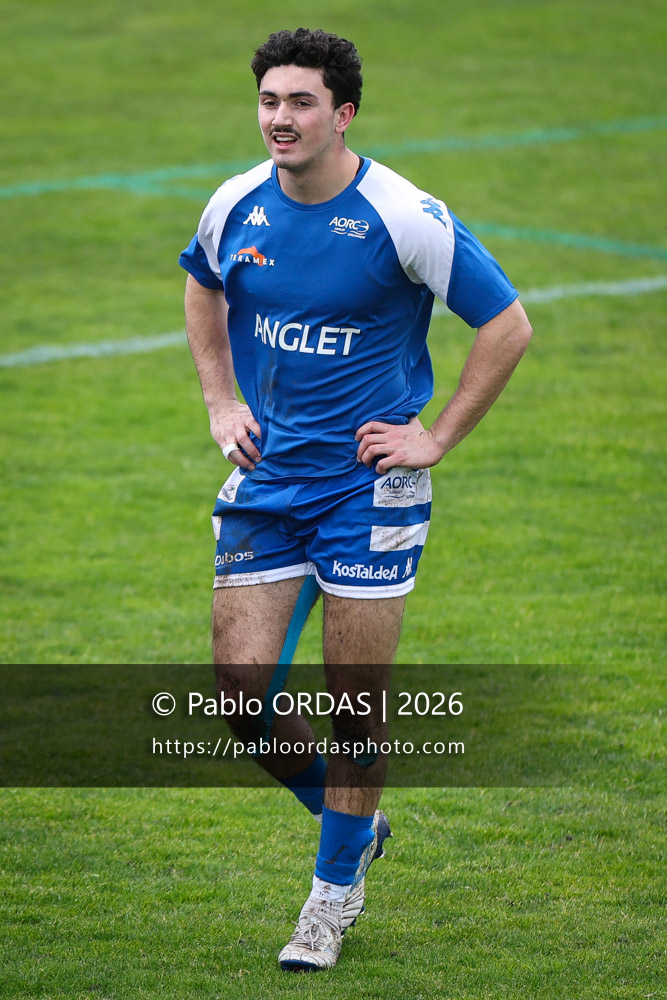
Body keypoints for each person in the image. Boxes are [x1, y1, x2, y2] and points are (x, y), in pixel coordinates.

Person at [179, 27, 532, 972]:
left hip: (370, 491)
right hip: (268, 481)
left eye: (300, 102)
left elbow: (506, 324)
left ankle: (328, 900)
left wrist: (435, 435)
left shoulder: (402, 216)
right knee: (239, 695)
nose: (280, 119)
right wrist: (220, 400)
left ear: (342, 114)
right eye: (268, 101)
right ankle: (357, 826)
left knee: (354, 704)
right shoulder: (234, 203)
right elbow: (202, 287)